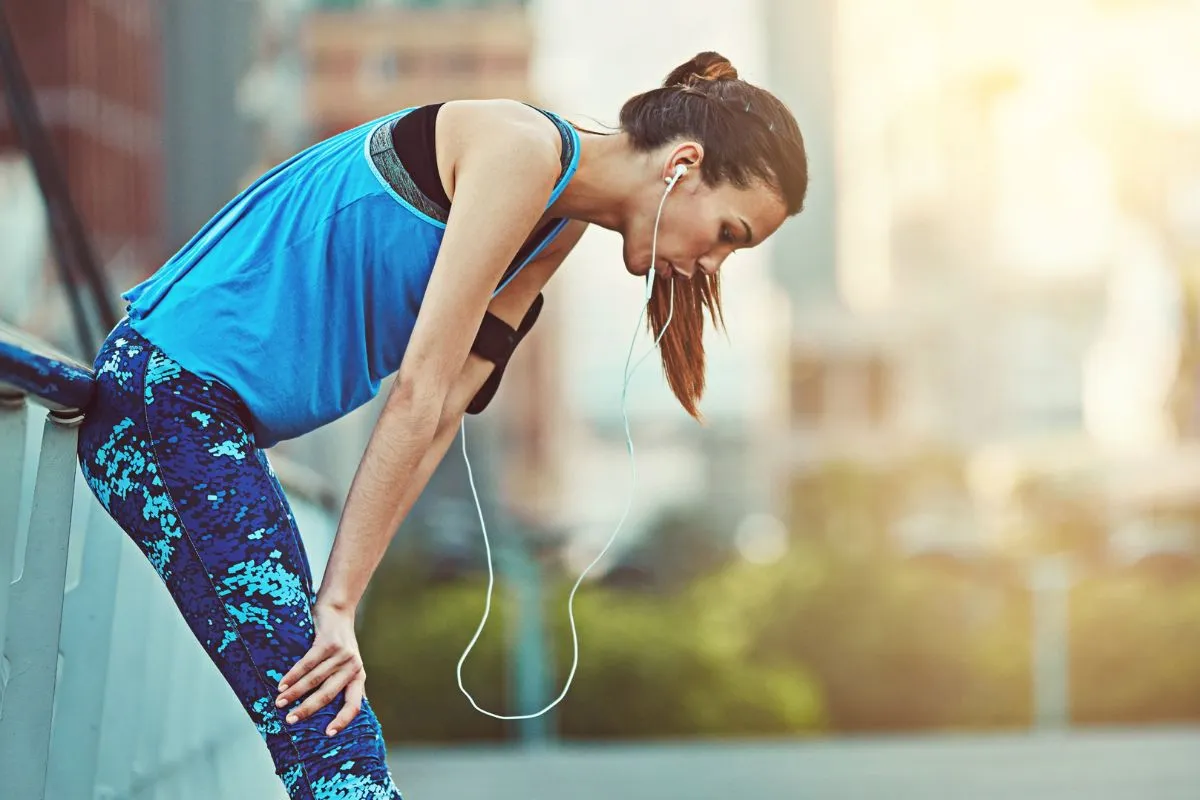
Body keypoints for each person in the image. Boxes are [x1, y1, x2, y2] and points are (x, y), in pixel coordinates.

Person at [76, 50, 808, 799]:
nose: (713, 264)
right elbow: (418, 390)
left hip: (203, 424)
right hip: (165, 402)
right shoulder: (520, 151)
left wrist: (343, 598)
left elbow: (445, 409)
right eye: (729, 233)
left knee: (326, 728)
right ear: (683, 164)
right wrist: (335, 605)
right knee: (332, 741)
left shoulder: (556, 223)